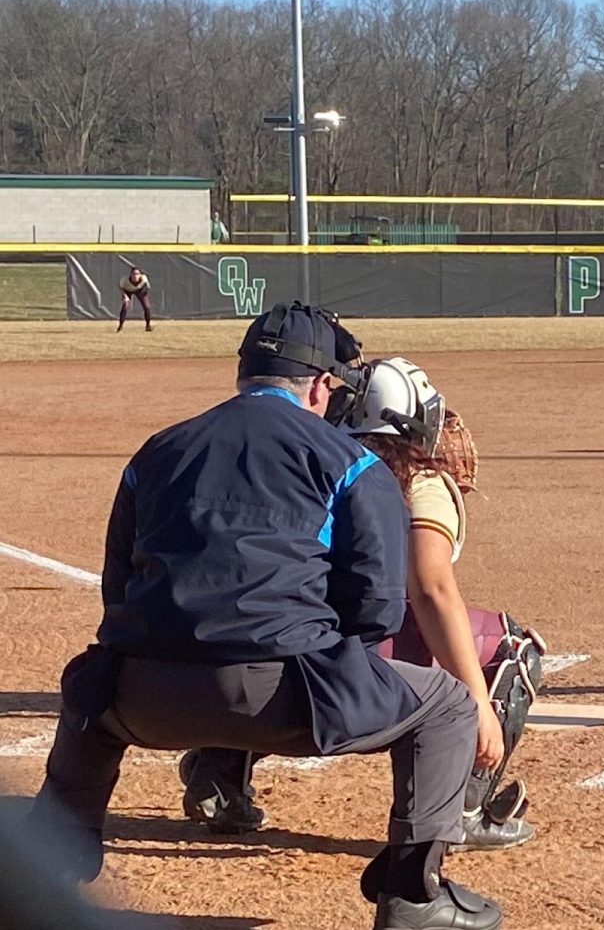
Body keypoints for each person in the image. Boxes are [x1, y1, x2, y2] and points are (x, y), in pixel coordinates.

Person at [26, 302, 503, 930]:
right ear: (322, 385)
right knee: (444, 705)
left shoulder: (157, 450)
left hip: (143, 697)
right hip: (285, 699)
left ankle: (47, 869)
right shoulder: (351, 461)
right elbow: (375, 610)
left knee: (91, 687)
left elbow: (118, 592)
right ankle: (414, 894)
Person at [181, 356, 542, 853]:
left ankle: (219, 773)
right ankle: (464, 806)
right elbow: (430, 588)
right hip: (346, 667)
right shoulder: (420, 481)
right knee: (512, 646)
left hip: (266, 651)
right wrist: (476, 699)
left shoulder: (304, 459)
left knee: (264, 616)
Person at [117, 266, 153, 332]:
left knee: (147, 307)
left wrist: (142, 294)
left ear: (140, 275)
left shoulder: (144, 279)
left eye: (137, 274)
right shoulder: (124, 280)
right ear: (130, 274)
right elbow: (121, 287)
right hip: (128, 290)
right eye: (133, 273)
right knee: (125, 306)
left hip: (139, 290)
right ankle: (120, 326)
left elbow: (146, 289)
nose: (135, 276)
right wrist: (125, 296)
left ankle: (148, 325)